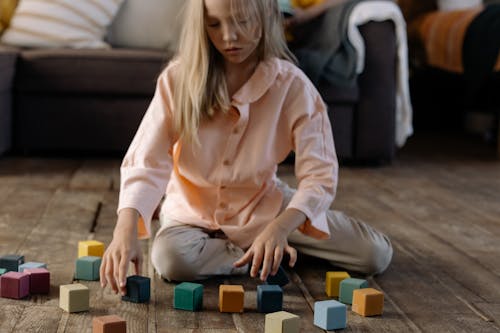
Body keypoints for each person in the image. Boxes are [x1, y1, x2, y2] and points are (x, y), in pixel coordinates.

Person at [100, 0, 393, 296]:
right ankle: (263, 256)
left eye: (242, 22)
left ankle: (271, 247)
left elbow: (319, 176)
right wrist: (123, 230)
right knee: (171, 260)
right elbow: (145, 161)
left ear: (266, 15)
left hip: (263, 206)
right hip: (190, 216)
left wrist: (279, 229)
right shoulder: (177, 80)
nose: (229, 36)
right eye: (215, 24)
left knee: (374, 255)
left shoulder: (293, 86)